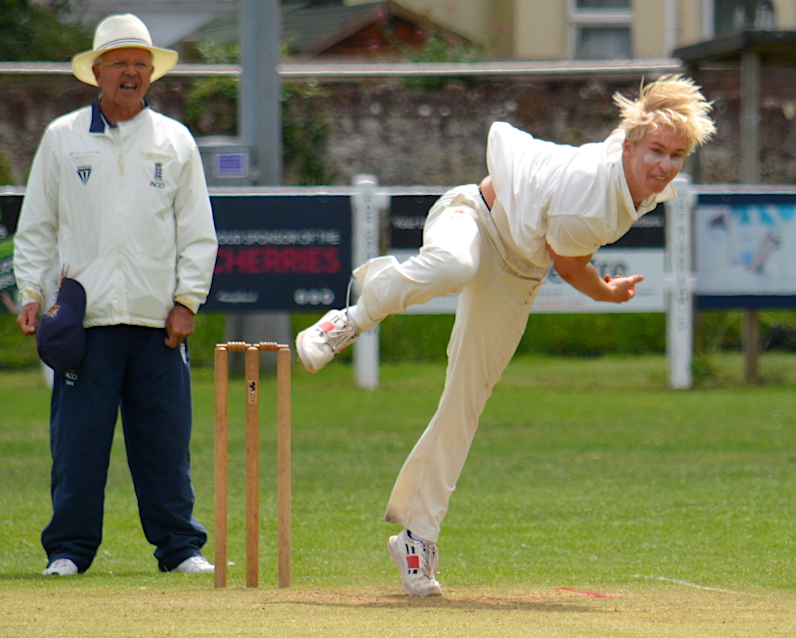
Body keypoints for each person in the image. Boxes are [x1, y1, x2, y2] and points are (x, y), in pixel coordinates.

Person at [296, 75, 716, 596]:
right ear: (629, 145)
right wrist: (607, 293)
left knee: (466, 399)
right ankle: (350, 319)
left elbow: (558, 248)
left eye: (677, 155)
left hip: (520, 268)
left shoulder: (636, 167)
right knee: (452, 264)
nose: (665, 166)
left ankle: (416, 538)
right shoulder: (590, 203)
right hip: (473, 214)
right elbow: (571, 264)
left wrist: (661, 110)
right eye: (656, 150)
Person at [14, 14, 219, 577]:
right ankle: (68, 551)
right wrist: (31, 290)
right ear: (97, 73)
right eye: (119, 63)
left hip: (157, 322)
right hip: (87, 323)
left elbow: (198, 231)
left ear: (151, 72)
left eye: (139, 63)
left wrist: (187, 301)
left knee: (164, 446)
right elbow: (37, 227)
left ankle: (180, 548)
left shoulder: (174, 141)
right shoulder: (63, 138)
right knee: (78, 447)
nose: (130, 72)